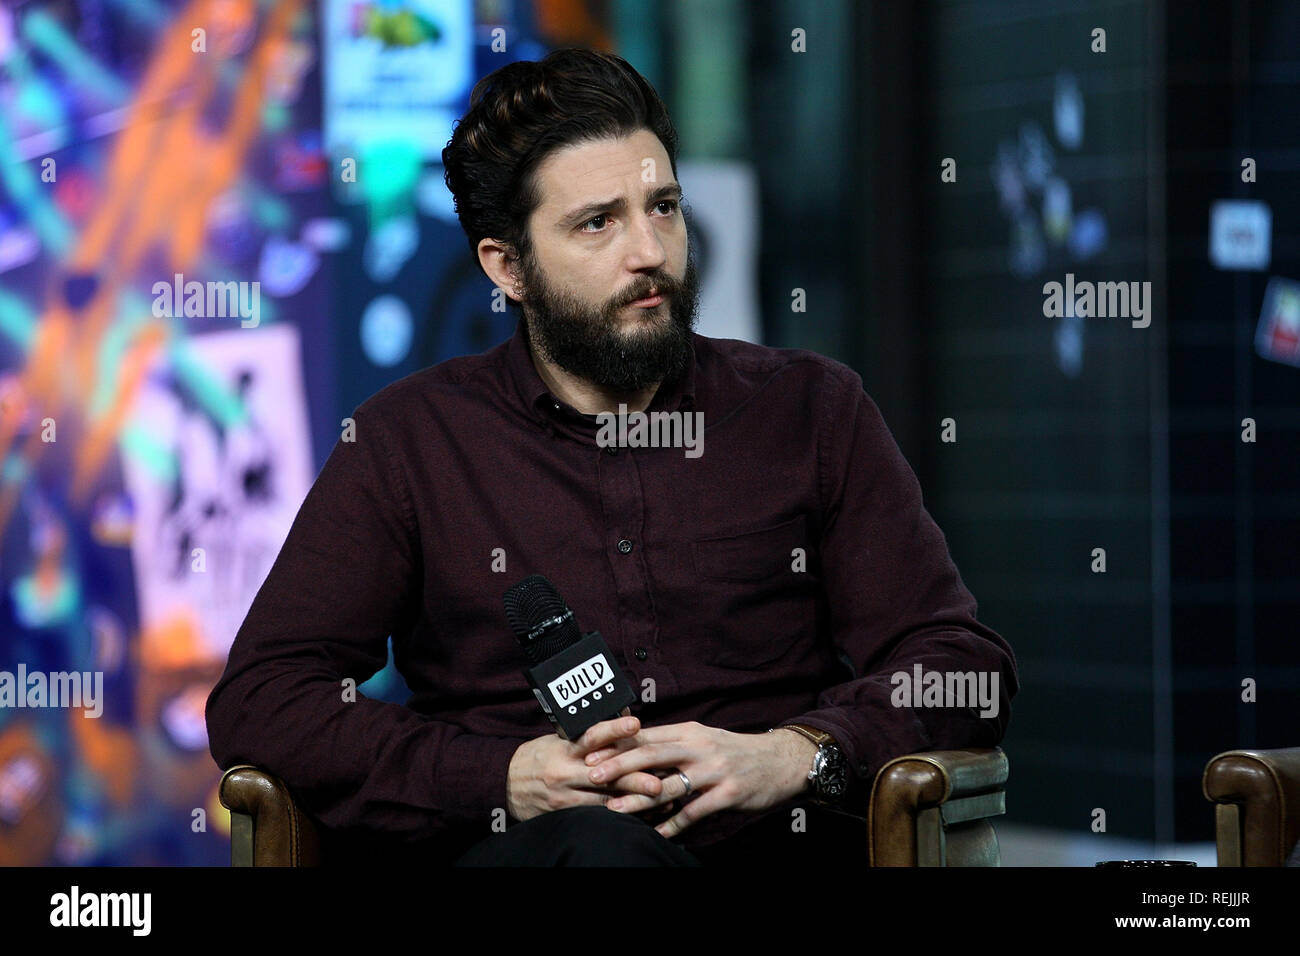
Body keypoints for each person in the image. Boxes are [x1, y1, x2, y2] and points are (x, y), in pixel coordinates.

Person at [205, 47, 1019, 867]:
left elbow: (960, 667)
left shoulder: (810, 410)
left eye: (662, 208)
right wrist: (503, 775)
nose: (650, 252)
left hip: (771, 842)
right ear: (508, 268)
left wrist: (793, 752)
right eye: (599, 222)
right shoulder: (410, 443)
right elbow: (265, 700)